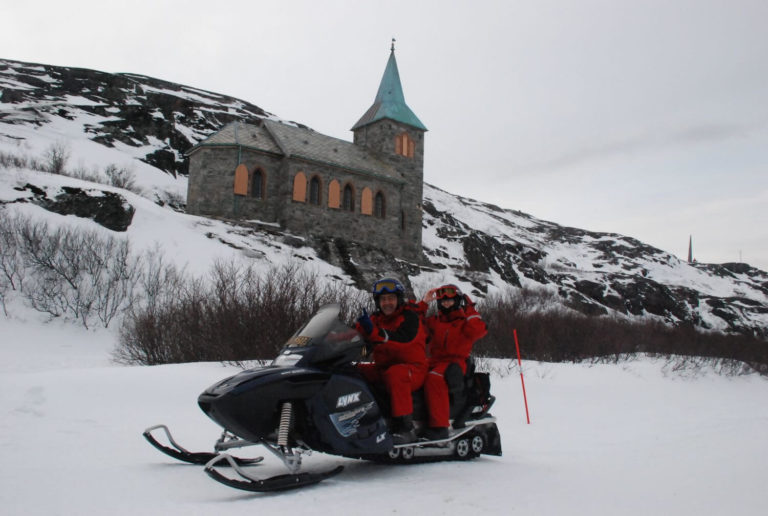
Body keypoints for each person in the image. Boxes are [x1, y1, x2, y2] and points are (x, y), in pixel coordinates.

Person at [356, 277, 428, 444]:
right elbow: (355, 333)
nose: (387, 303)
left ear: (399, 299)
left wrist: (373, 332)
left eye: (391, 299)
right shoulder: (375, 319)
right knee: (353, 370)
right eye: (383, 299)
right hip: (383, 367)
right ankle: (361, 419)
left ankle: (405, 428)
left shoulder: (410, 317)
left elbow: (401, 339)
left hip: (413, 369)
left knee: (396, 374)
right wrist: (333, 339)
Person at [419, 284, 487, 440]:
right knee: (412, 373)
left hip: (455, 363)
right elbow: (416, 326)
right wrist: (423, 304)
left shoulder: (465, 322)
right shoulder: (435, 321)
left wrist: (469, 307)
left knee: (434, 378)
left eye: (450, 300)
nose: (446, 304)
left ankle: (440, 427)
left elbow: (478, 330)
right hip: (434, 360)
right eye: (443, 301)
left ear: (457, 301)